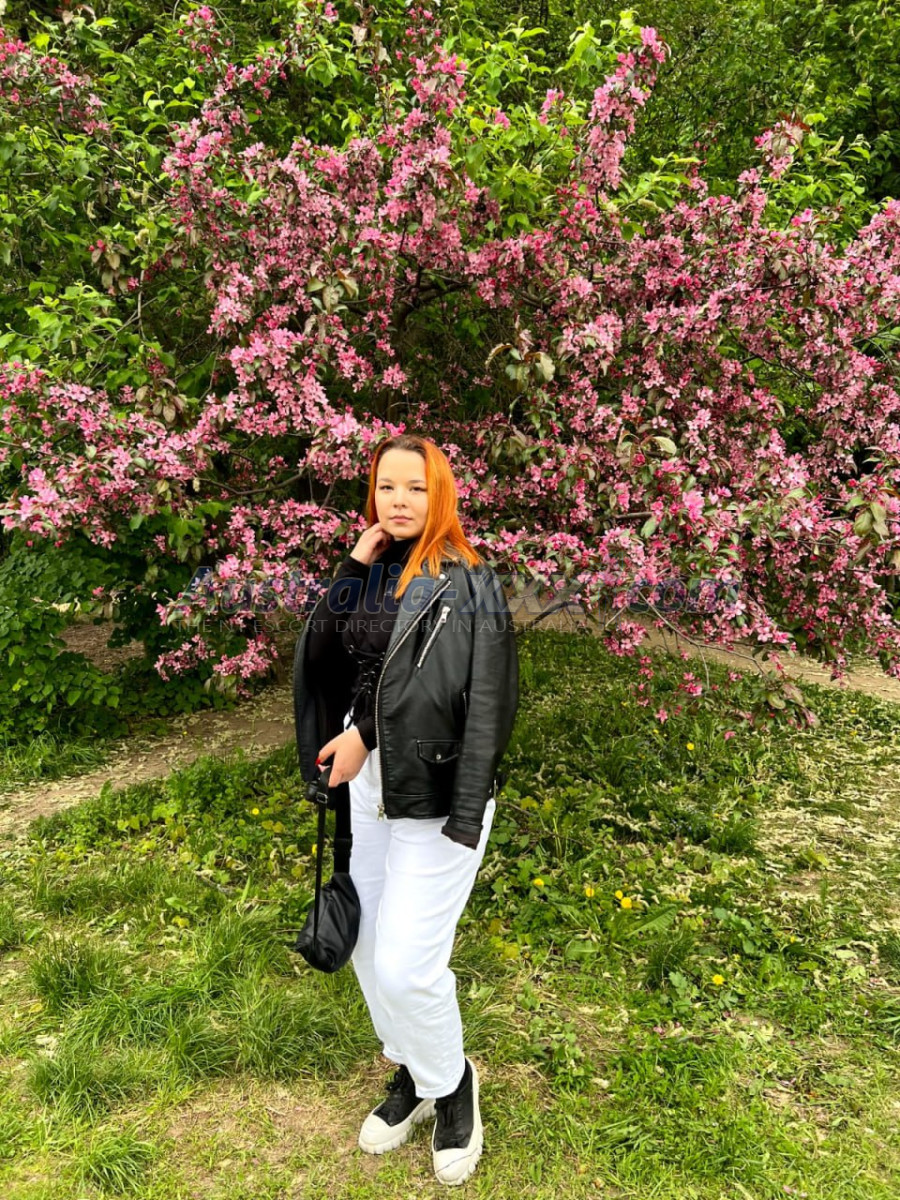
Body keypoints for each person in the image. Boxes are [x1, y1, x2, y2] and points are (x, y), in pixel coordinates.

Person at [292, 433, 519, 1186]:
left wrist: (462, 808)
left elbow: (482, 703)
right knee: (367, 946)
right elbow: (321, 659)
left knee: (406, 964)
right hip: (367, 791)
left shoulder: (469, 581)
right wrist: (353, 565)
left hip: (435, 791)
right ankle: (415, 1073)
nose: (399, 500)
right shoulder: (374, 567)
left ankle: (453, 1086)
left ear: (440, 494)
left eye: (416, 488)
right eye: (387, 486)